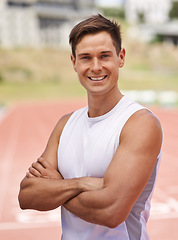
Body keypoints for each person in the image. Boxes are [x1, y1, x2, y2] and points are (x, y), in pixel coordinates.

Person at [18, 14, 163, 240]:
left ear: (120, 57)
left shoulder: (139, 123)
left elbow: (111, 211)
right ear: (74, 63)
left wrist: (57, 187)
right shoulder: (65, 125)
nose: (96, 67)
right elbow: (27, 195)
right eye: (85, 58)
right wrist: (82, 183)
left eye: (104, 56)